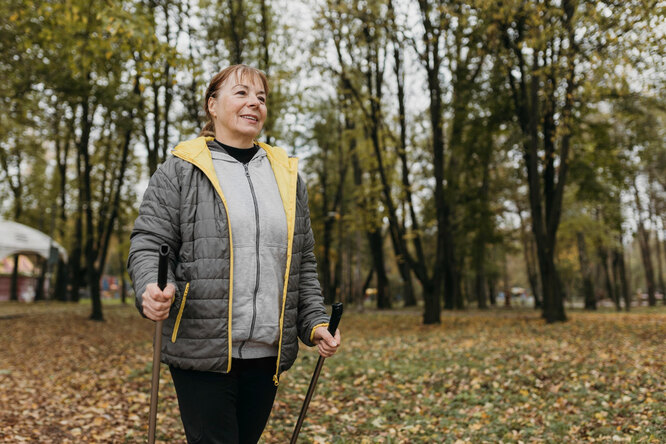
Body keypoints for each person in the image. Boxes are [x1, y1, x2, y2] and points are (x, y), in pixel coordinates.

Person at [127, 64, 341, 444]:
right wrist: (152, 286)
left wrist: (315, 322)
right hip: (202, 347)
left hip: (266, 354)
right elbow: (149, 240)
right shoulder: (180, 169)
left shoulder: (286, 177)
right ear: (213, 105)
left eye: (261, 98)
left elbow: (301, 262)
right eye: (241, 93)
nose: (254, 103)